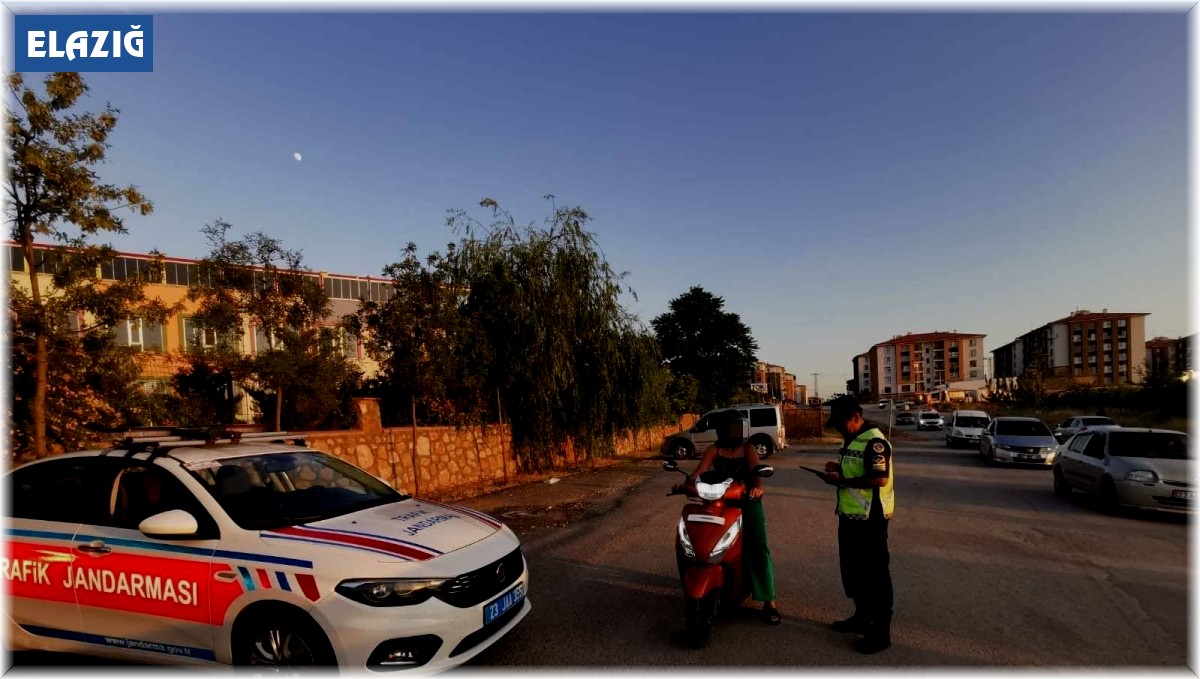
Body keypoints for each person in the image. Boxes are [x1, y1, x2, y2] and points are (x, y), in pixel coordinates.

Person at [673, 409, 780, 625]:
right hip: (718, 500)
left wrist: (757, 489)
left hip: (746, 501)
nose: (735, 433)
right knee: (703, 539)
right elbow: (699, 471)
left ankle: (770, 601)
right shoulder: (715, 449)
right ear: (722, 431)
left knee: (758, 548)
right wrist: (686, 484)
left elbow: (756, 474)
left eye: (738, 428)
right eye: (731, 428)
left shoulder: (748, 449)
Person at [820, 395, 895, 654]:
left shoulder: (874, 441)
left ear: (855, 417)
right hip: (850, 517)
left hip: (870, 518)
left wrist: (840, 481)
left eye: (842, 422)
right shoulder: (851, 438)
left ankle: (881, 632)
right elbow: (854, 469)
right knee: (852, 571)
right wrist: (837, 467)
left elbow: (879, 479)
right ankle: (862, 617)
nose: (839, 428)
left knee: (875, 575)